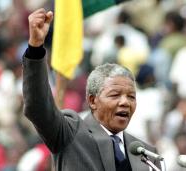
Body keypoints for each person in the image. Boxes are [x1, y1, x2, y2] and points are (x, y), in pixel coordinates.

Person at [22, 8, 161, 171]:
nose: (125, 102)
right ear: (93, 100)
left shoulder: (147, 155)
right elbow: (37, 107)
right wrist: (36, 48)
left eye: (131, 97)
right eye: (115, 95)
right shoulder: (69, 133)